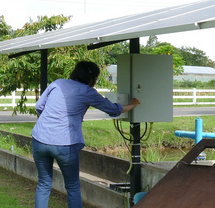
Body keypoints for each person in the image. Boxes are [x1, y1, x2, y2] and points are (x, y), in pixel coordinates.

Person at [31, 61, 140, 208]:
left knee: (44, 183)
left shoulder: (57, 83)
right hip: (65, 144)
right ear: (93, 78)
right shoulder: (88, 92)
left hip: (39, 139)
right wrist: (133, 104)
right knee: (72, 187)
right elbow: (113, 109)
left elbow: (39, 106)